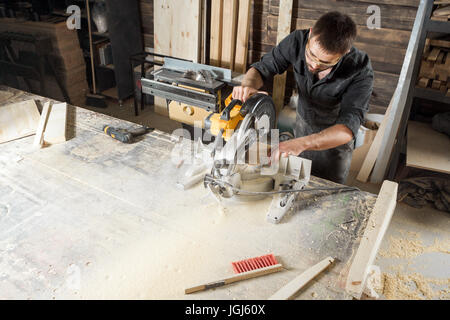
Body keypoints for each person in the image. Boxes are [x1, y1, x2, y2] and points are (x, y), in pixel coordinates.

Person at [233, 11, 374, 184]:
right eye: (311, 55)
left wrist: (302, 144)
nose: (314, 65)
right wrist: (248, 84)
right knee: (293, 182)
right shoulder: (297, 40)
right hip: (302, 126)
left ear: (345, 52)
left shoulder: (360, 69)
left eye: (325, 63)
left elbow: (347, 128)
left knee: (324, 191)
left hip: (332, 143)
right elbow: (263, 68)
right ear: (311, 32)